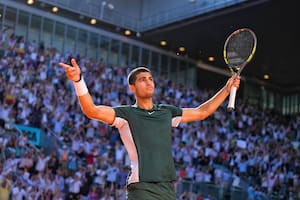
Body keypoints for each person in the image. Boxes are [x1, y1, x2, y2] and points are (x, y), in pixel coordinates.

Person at [59, 58, 240, 200]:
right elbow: (92, 110)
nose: (148, 82)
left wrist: (226, 88)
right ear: (132, 87)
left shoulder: (166, 112)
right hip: (142, 187)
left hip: (167, 188)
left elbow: (202, 112)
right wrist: (78, 81)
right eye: (142, 80)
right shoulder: (125, 114)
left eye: (151, 79)